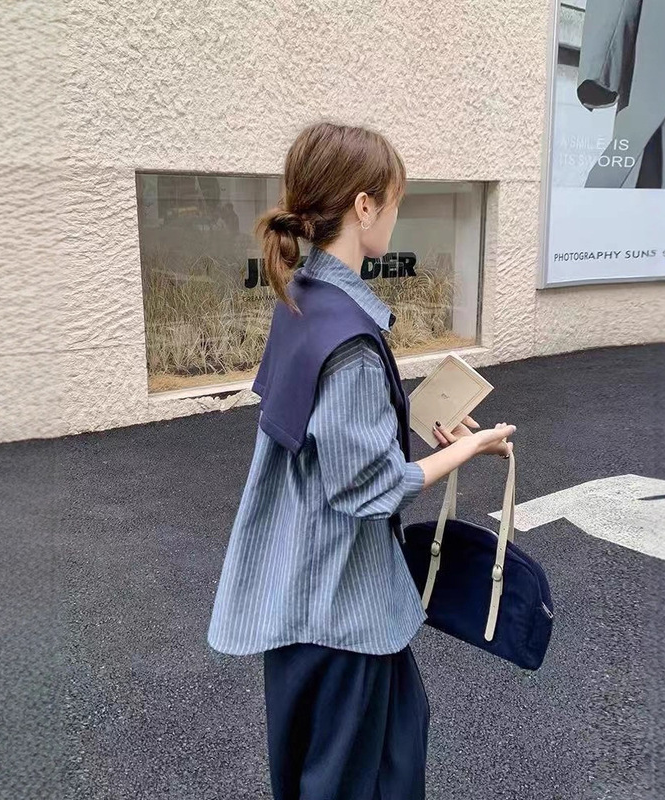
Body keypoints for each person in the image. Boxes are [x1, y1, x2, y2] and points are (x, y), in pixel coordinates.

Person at [206, 120, 516, 800]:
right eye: (395, 199)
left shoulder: (302, 299)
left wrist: (414, 420)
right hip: (343, 610)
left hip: (303, 593)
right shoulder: (348, 337)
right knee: (369, 777)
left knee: (343, 768)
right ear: (364, 205)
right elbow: (368, 488)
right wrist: (471, 447)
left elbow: (320, 438)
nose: (397, 214)